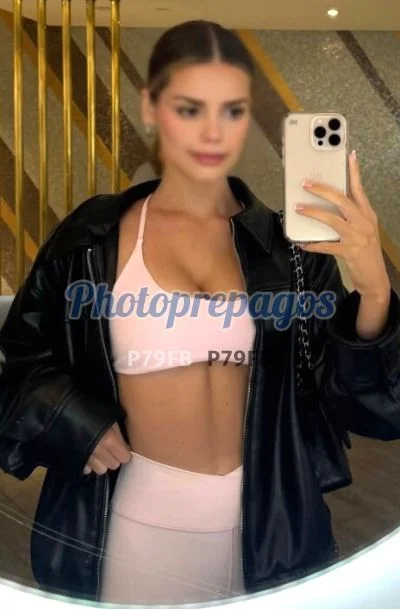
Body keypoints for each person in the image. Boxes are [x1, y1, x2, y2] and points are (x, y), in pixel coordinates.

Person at [1, 19, 400, 606]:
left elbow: (366, 409)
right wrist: (69, 418)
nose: (212, 131)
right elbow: (18, 359)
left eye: (231, 110)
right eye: (190, 108)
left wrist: (373, 288)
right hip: (129, 523)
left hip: (270, 531)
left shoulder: (290, 251)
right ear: (152, 107)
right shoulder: (93, 239)